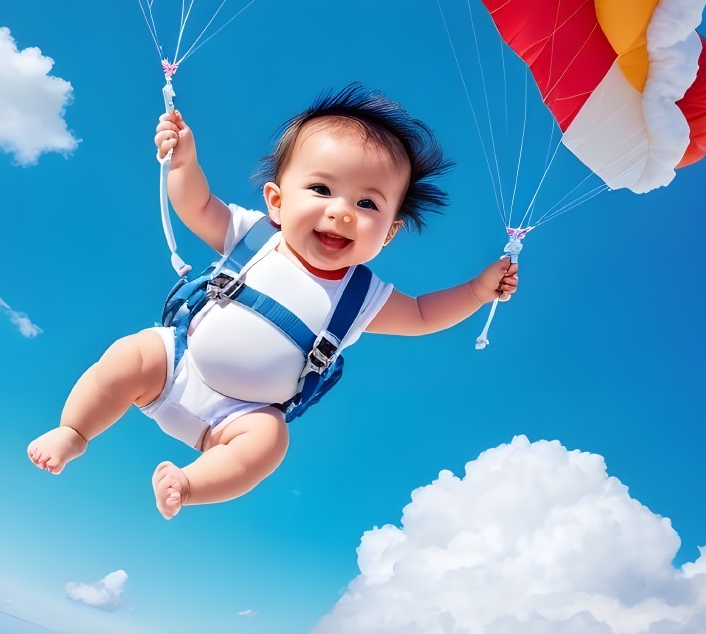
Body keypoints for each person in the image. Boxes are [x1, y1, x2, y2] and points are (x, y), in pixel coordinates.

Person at [27, 84, 518, 519]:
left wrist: (477, 291)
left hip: (238, 419)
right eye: (322, 189)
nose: (343, 212)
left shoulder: (362, 296)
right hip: (177, 365)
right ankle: (74, 431)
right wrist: (183, 161)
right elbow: (196, 205)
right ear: (277, 201)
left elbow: (422, 315)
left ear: (387, 234)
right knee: (127, 356)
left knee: (270, 442)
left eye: (368, 203)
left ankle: (188, 484)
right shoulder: (254, 237)